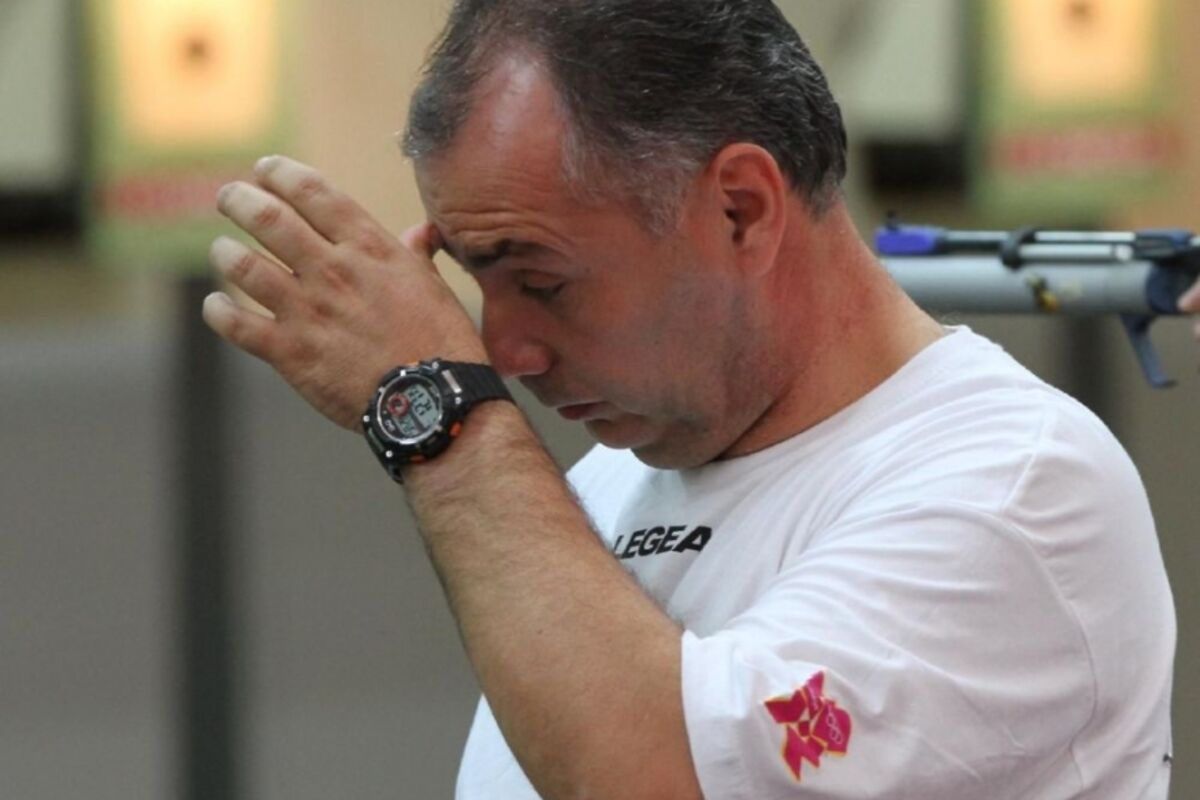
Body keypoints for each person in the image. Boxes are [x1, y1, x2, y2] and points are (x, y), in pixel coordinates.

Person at [202, 1, 1175, 797]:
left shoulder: (1016, 487)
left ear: (741, 208)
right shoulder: (611, 478)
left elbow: (659, 777)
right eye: (472, 279)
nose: (504, 352)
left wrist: (438, 412)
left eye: (540, 279)